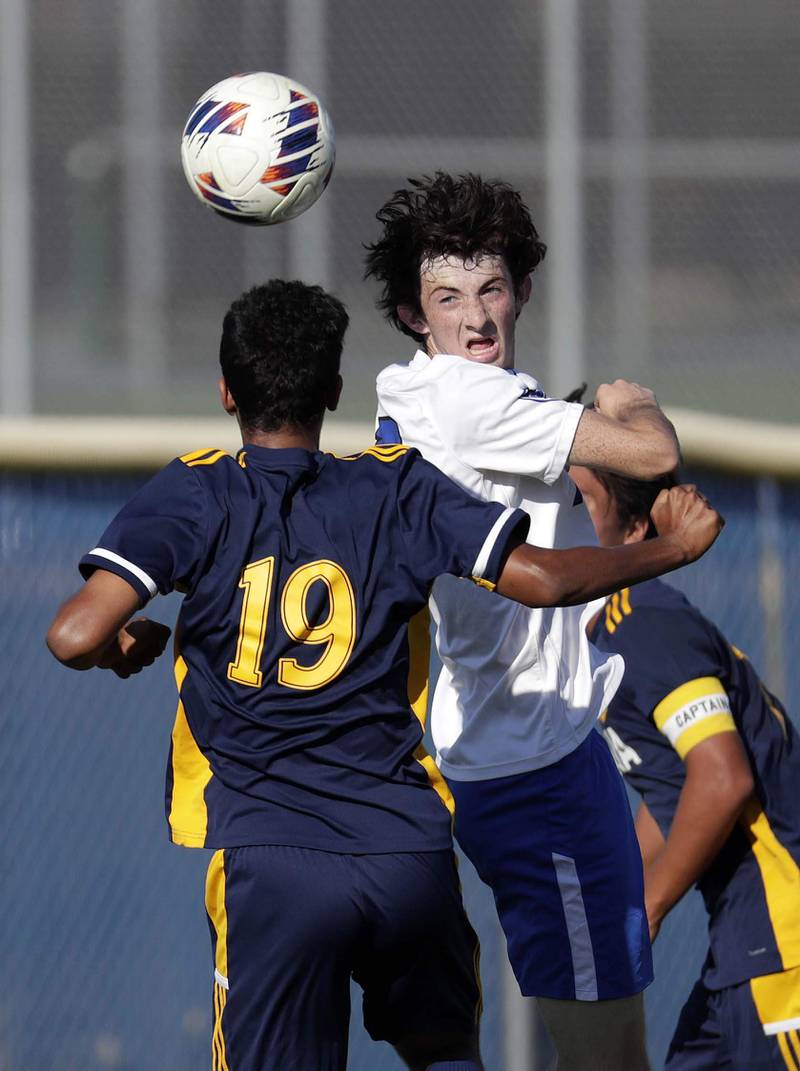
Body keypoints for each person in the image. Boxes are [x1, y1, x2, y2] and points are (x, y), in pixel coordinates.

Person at [46, 280, 720, 1071]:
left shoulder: (197, 489)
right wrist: (669, 548)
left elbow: (72, 632)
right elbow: (542, 577)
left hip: (274, 859)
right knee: (446, 1054)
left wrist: (115, 646)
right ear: (334, 390)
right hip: (406, 855)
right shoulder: (394, 484)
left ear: (226, 390)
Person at [365, 171, 683, 1070]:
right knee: (609, 1060)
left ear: (523, 290)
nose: (476, 317)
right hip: (536, 769)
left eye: (491, 287)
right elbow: (652, 452)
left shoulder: (417, 389)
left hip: (502, 750)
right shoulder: (475, 402)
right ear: (412, 314)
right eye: (447, 296)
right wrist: (628, 400)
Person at [570, 463, 800, 1071]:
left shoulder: (641, 619)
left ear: (635, 528)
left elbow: (722, 781)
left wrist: (645, 911)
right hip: (743, 949)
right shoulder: (606, 638)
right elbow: (677, 794)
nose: (556, 514)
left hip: (786, 942)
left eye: (575, 498)